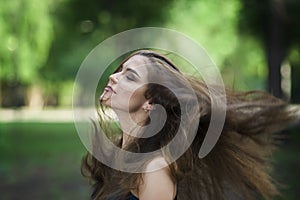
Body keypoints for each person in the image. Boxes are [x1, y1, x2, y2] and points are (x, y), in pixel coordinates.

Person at [81, 50, 297, 200]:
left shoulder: (153, 169)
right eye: (120, 70)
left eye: (129, 76)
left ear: (150, 102)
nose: (113, 76)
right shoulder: (122, 151)